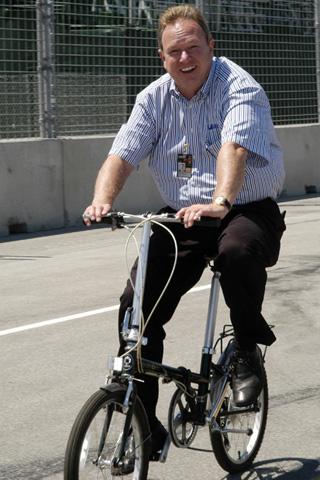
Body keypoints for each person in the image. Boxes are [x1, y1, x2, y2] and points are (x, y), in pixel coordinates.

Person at [83, 4, 286, 458]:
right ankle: (144, 421)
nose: (186, 57)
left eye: (194, 47)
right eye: (176, 51)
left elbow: (233, 147)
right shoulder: (153, 99)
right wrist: (104, 201)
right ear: (163, 57)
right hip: (183, 215)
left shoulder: (239, 87)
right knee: (135, 307)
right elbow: (123, 153)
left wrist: (218, 203)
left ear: (211, 47)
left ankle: (247, 350)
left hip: (244, 207)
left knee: (236, 251)